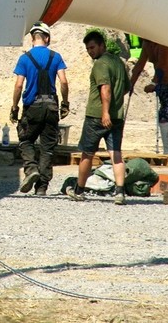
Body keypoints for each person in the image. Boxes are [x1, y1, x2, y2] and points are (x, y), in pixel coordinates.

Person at [66, 29, 129, 204]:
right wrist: (114, 107)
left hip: (97, 116)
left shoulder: (101, 64)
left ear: (102, 45)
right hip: (117, 116)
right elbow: (125, 88)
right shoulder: (118, 62)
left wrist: (105, 112)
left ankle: (79, 190)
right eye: (88, 49)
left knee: (87, 154)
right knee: (116, 153)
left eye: (93, 47)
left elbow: (105, 88)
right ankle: (119, 192)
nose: (90, 51)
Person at [11, 21, 69, 195]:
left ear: (32, 38)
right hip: (51, 106)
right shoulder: (56, 57)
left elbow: (19, 85)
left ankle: (31, 170)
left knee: (26, 139)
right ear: (47, 38)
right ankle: (41, 188)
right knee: (47, 147)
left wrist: (14, 107)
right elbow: (64, 82)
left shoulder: (24, 58)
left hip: (32, 107)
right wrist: (65, 103)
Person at [128, 38, 168, 163]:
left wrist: (154, 83)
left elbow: (162, 64)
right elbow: (140, 64)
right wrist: (130, 84)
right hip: (163, 84)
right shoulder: (147, 44)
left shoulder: (163, 42)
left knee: (165, 117)